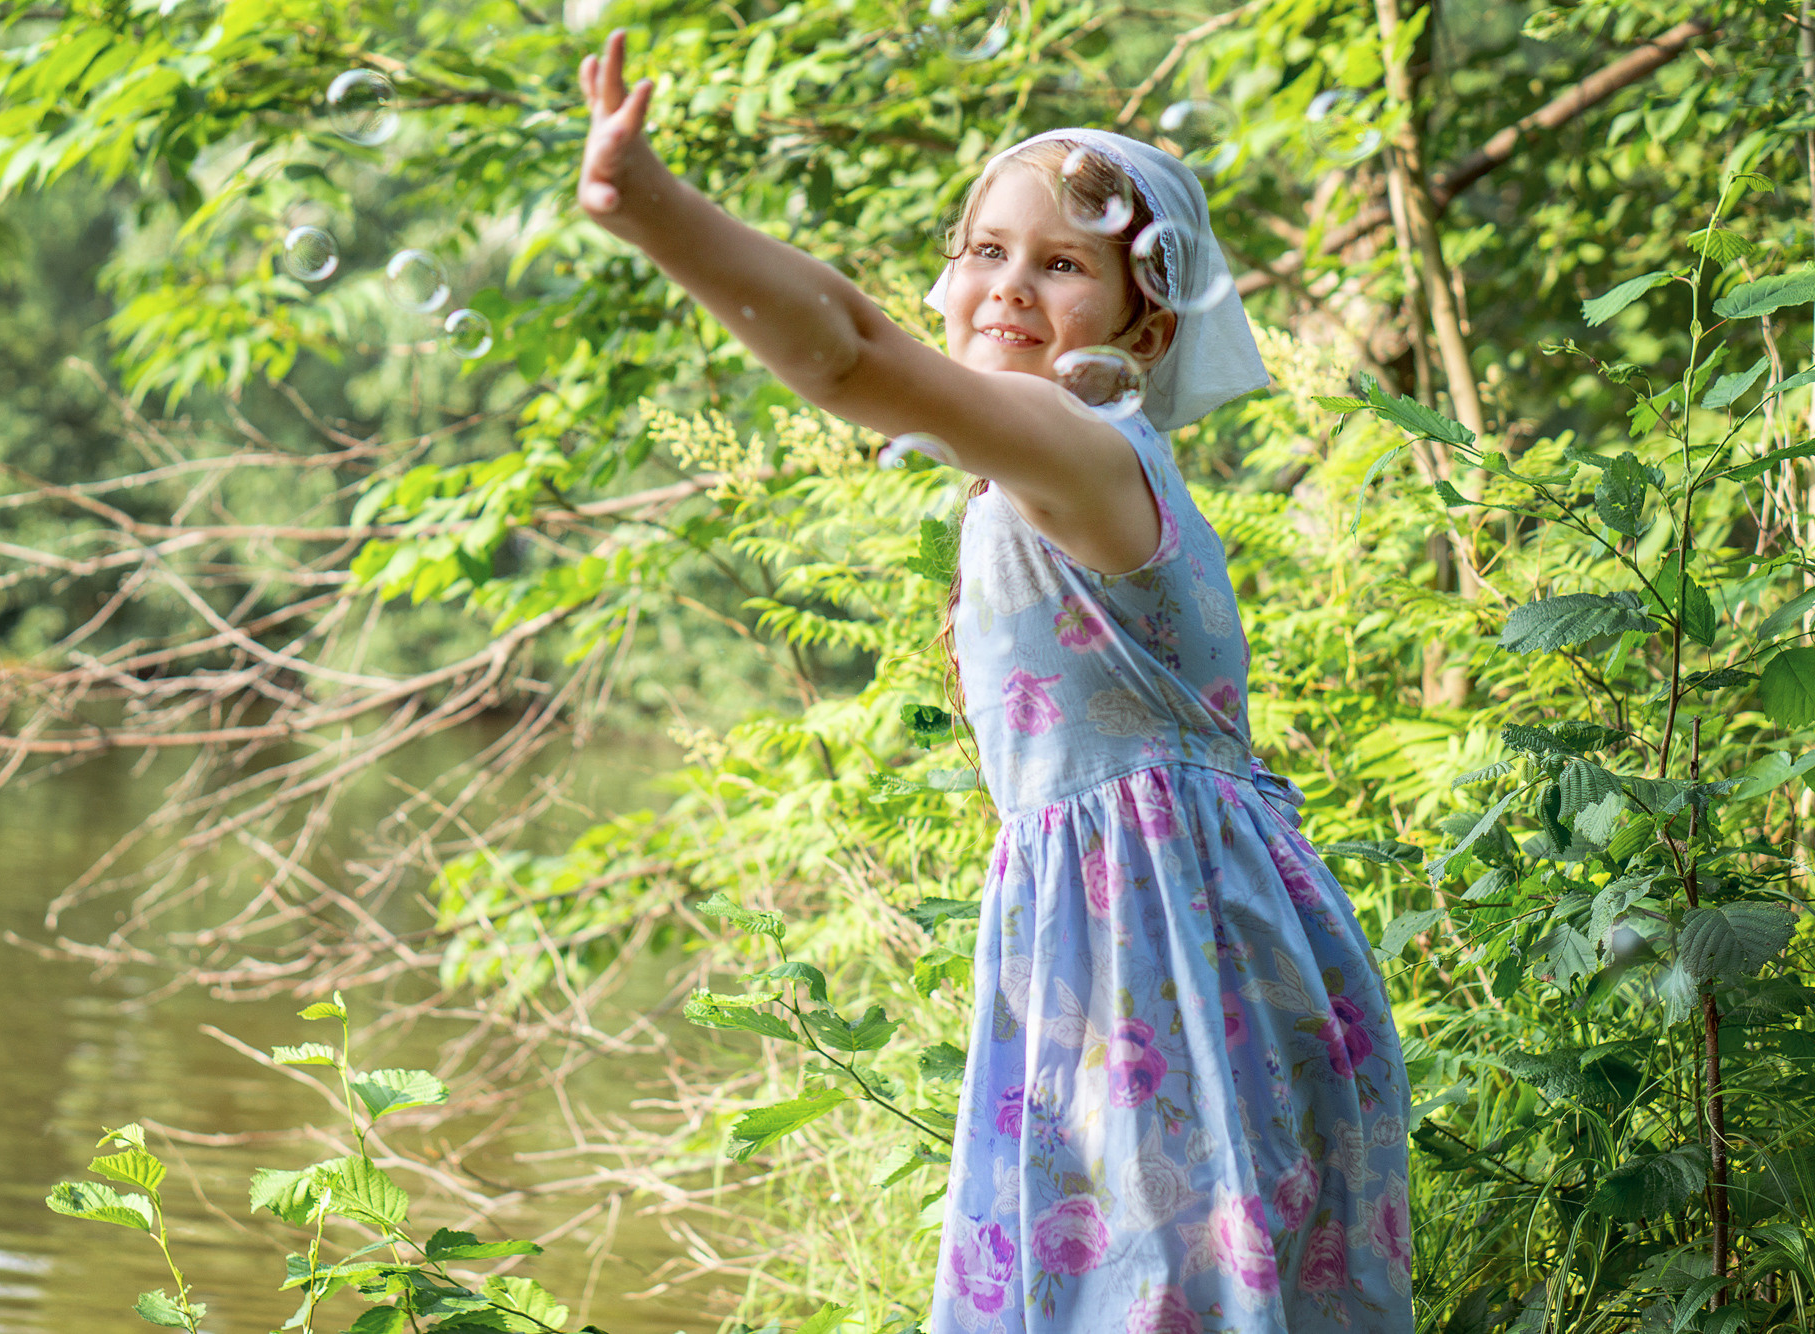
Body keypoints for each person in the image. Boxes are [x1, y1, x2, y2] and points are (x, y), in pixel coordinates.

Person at [576, 29, 1414, 1334]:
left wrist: (658, 209)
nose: (1011, 284)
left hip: (1168, 972)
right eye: (986, 250)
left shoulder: (1083, 447)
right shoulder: (1039, 476)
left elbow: (851, 351)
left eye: (1064, 262)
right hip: (1144, 950)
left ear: (1142, 325)